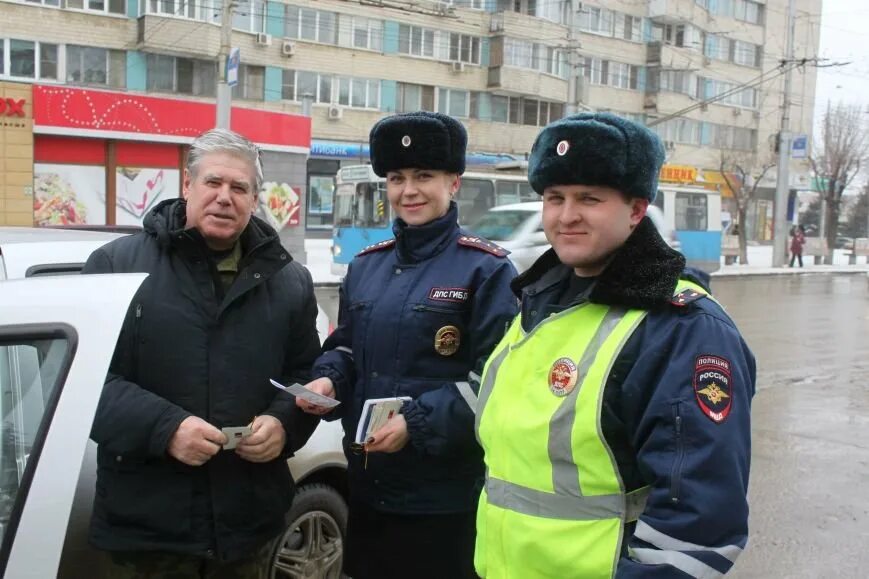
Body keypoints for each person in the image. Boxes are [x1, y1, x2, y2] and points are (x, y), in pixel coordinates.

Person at [473, 113, 757, 578]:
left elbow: (697, 527)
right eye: (554, 198)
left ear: (636, 209)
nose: (567, 216)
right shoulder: (536, 304)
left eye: (590, 199)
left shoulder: (681, 328)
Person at [83, 128, 321, 577]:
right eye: (213, 183)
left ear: (254, 199)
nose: (224, 197)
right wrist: (166, 428)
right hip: (149, 528)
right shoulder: (115, 266)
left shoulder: (290, 281)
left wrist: (285, 421)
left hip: (248, 525)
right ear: (187, 185)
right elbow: (82, 383)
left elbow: (305, 372)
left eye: (239, 188)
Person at [297, 111, 518, 579]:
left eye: (424, 176)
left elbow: (502, 382)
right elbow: (348, 346)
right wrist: (329, 378)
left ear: (453, 182)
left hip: (445, 499)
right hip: (369, 487)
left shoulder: (488, 270)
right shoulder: (366, 267)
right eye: (397, 178)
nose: (409, 190)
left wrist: (416, 424)